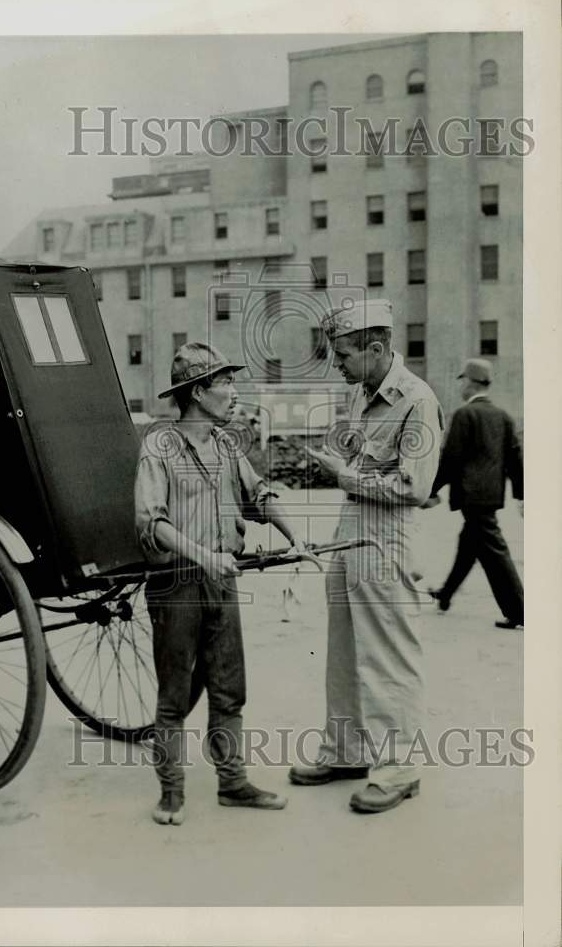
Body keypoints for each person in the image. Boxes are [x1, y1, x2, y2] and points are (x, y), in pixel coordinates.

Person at [135, 342, 307, 825]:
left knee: (229, 689)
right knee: (174, 697)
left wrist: (294, 535)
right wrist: (204, 556)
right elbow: (152, 522)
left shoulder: (227, 446)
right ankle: (171, 794)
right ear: (196, 392)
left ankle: (233, 784)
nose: (234, 392)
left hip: (222, 582)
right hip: (176, 584)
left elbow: (258, 494)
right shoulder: (159, 448)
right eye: (224, 383)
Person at [288, 300, 444, 814]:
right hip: (351, 527)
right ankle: (347, 752)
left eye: (344, 355)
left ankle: (399, 770)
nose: (338, 366)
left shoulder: (416, 400)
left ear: (376, 349)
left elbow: (414, 486)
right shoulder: (360, 394)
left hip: (386, 534)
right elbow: (358, 458)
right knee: (345, 651)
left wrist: (345, 474)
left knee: (388, 656)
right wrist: (332, 462)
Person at [426, 358, 523, 629]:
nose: (462, 387)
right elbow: (515, 456)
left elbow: (450, 459)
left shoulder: (464, 415)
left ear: (470, 383)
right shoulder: (503, 416)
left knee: (495, 552)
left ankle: (521, 611)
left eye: (463, 381)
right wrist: (521, 494)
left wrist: (430, 489)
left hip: (471, 496)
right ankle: (445, 595)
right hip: (491, 494)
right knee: (469, 544)